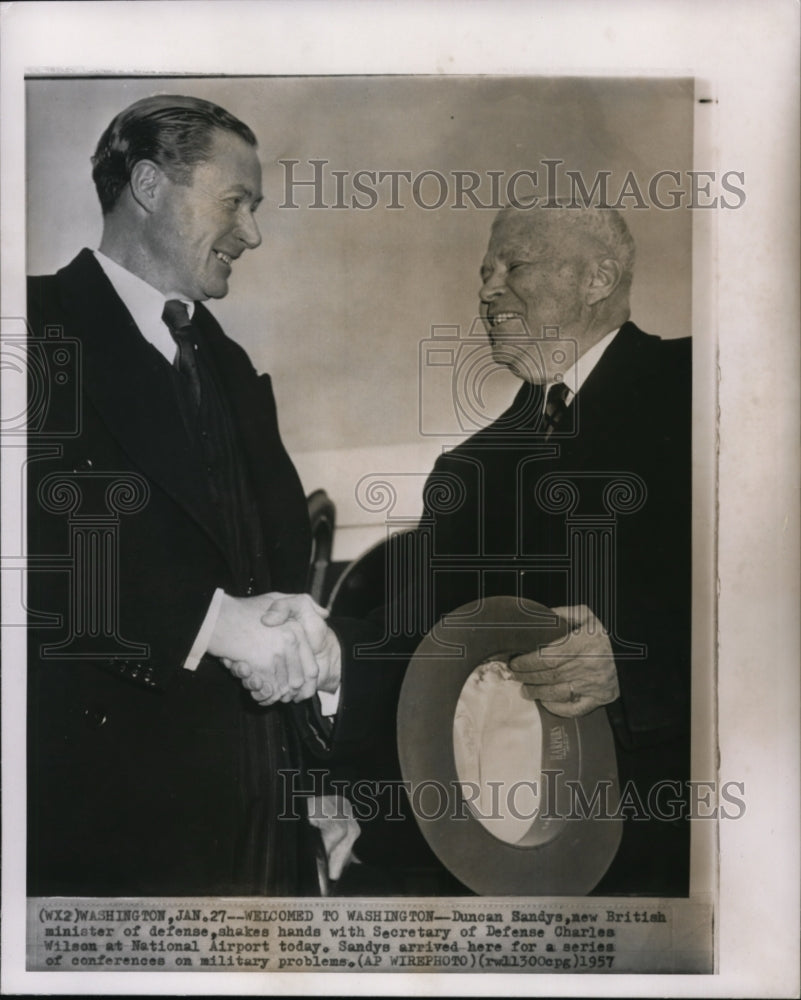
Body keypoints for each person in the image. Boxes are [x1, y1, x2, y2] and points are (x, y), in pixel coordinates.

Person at [260, 204, 692, 897]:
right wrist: (331, 659)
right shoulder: (469, 467)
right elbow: (416, 652)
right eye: (483, 273)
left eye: (512, 266)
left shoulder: (706, 390)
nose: (487, 290)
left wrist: (642, 666)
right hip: (510, 857)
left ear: (597, 277)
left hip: (681, 848)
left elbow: (767, 596)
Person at [26, 95, 345, 897]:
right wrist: (208, 623)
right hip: (113, 820)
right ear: (147, 184)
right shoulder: (28, 330)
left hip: (264, 817)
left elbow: (270, 579)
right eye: (235, 202)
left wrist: (314, 778)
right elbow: (30, 553)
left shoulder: (229, 365)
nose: (253, 233)